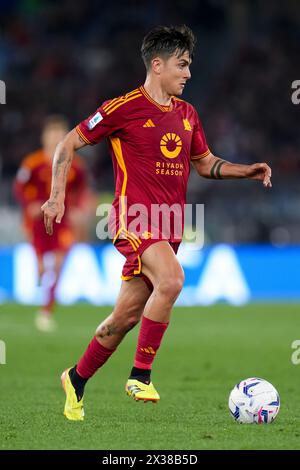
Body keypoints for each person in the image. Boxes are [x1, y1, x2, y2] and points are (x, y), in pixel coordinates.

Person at [41, 25, 272, 421]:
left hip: (169, 227)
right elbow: (69, 143)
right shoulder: (123, 107)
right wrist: (56, 195)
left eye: (190, 66)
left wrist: (244, 171)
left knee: (123, 319)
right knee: (172, 280)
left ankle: (75, 379)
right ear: (158, 64)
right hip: (133, 219)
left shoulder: (187, 114)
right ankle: (140, 375)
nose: (188, 73)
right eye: (182, 65)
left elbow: (204, 163)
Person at [15, 115, 89, 332]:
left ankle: (46, 311)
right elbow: (19, 188)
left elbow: (80, 189)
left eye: (60, 133)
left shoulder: (76, 165)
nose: (56, 137)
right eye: (52, 133)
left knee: (57, 265)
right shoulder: (32, 163)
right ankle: (40, 277)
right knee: (40, 270)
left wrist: (77, 208)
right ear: (44, 136)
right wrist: (29, 204)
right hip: (37, 220)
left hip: (62, 220)